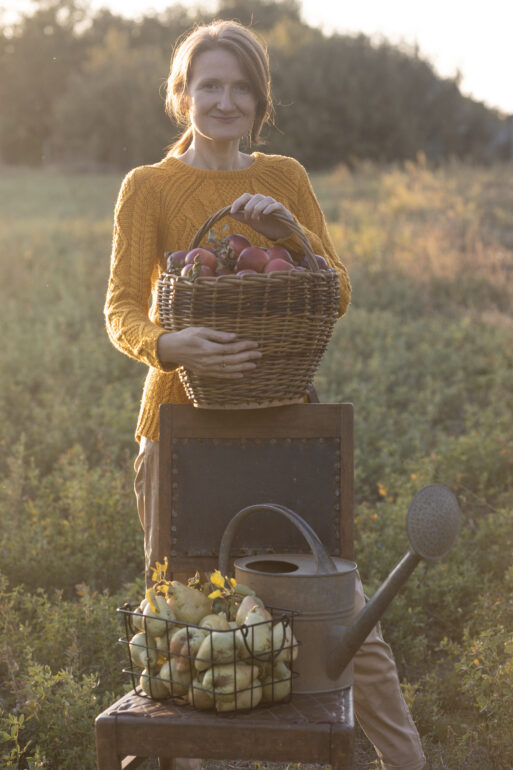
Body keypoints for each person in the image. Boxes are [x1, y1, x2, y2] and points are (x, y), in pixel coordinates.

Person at [104, 18, 426, 770]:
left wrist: (295, 238)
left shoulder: (283, 178)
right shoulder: (147, 187)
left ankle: (409, 763)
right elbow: (120, 308)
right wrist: (165, 344)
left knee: (347, 625)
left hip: (286, 427)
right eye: (209, 84)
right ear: (181, 95)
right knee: (195, 635)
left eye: (241, 87)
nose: (224, 100)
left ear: (259, 101)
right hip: (181, 431)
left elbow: (334, 289)